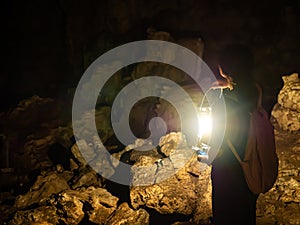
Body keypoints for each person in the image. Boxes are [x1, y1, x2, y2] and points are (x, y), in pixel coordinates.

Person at [210, 44, 259, 225]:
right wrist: (228, 85)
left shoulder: (225, 103)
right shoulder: (256, 92)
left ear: (224, 69)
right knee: (246, 213)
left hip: (227, 169)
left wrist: (202, 153)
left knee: (227, 213)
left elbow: (216, 142)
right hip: (250, 164)